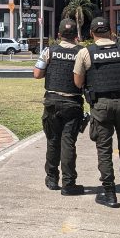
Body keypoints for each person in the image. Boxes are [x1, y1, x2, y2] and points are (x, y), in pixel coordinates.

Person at [73, 16, 120, 208]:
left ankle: (110, 193)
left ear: (91, 33)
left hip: (101, 105)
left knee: (104, 149)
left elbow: (78, 82)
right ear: (111, 31)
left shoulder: (86, 53)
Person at [33, 18, 86, 195]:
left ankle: (52, 178)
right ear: (76, 36)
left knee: (53, 141)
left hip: (52, 102)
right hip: (73, 103)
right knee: (68, 143)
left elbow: (37, 74)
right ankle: (69, 183)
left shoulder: (49, 51)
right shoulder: (82, 52)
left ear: (59, 35)